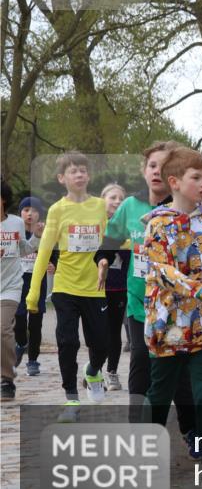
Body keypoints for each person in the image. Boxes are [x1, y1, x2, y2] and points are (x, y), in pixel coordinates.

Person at [142, 146, 202, 488]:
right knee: (159, 395)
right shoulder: (157, 225)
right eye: (196, 177)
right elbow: (163, 273)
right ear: (175, 182)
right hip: (167, 325)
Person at [94, 142, 196, 450]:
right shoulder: (130, 206)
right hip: (140, 303)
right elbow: (111, 239)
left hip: (175, 306)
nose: (157, 172)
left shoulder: (183, 207)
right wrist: (103, 259)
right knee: (140, 356)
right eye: (152, 165)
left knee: (175, 365)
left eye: (163, 167)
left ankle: (191, 430)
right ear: (144, 170)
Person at [26, 151, 111, 420]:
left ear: (89, 176)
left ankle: (93, 371)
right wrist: (34, 291)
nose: (79, 174)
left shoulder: (100, 206)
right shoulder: (57, 210)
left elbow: (112, 242)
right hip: (65, 287)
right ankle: (71, 399)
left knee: (102, 344)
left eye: (83, 170)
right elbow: (44, 251)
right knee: (67, 342)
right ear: (62, 178)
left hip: (95, 287)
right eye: (73, 171)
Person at [1, 181, 39, 400]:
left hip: (10, 287)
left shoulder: (16, 223)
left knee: (3, 329)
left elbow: (24, 249)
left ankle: (7, 380)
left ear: (3, 199)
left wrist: (37, 236)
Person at [14, 197, 54, 376]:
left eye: (34, 210)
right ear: (20, 213)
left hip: (38, 282)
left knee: (36, 323)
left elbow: (55, 252)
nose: (30, 214)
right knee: (19, 318)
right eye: (26, 210)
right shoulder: (15, 231)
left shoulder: (46, 232)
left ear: (40, 214)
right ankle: (21, 343)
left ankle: (33, 360)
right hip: (18, 281)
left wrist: (53, 264)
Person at [99, 183, 130, 391]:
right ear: (102, 201)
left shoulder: (129, 226)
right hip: (95, 287)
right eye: (113, 197)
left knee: (114, 332)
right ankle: (94, 370)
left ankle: (111, 372)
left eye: (121, 198)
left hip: (119, 288)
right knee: (97, 333)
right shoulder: (95, 225)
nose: (117, 201)